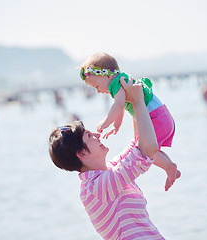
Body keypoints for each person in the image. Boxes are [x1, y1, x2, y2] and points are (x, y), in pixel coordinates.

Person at [49, 78, 165, 239]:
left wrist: (130, 102)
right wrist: (138, 102)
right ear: (82, 153)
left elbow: (137, 144)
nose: (97, 135)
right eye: (89, 135)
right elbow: (148, 149)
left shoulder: (106, 172)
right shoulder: (95, 188)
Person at [79, 52, 180, 191]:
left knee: (143, 151)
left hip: (155, 119)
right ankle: (170, 166)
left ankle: (169, 167)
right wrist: (116, 125)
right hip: (162, 116)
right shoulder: (123, 80)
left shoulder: (117, 84)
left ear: (107, 75)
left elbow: (118, 105)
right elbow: (121, 108)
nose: (98, 91)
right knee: (146, 149)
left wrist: (105, 122)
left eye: (96, 86)